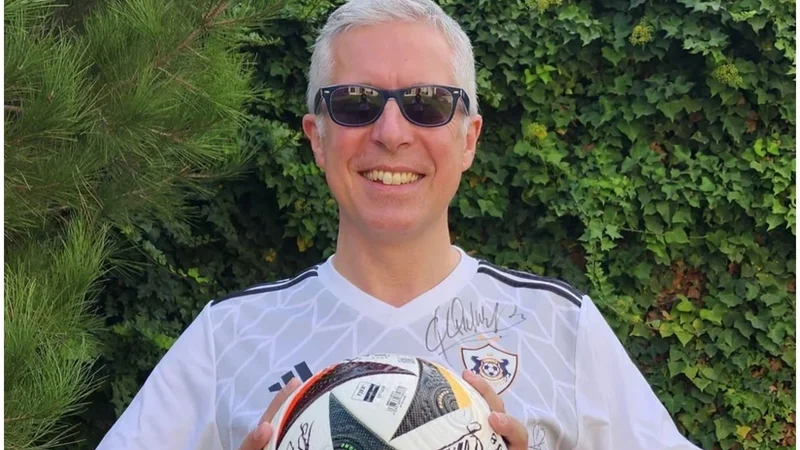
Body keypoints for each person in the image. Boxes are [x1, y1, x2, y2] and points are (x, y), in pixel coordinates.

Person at [96, 1, 703, 449]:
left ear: (469, 138)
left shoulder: (560, 330)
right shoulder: (228, 340)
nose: (391, 133)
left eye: (427, 104)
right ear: (317, 137)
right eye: (356, 103)